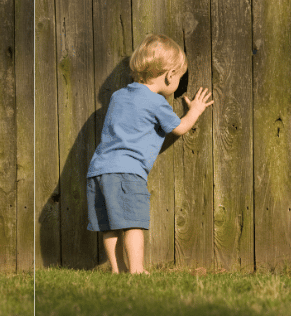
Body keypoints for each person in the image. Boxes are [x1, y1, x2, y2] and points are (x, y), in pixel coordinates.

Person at [86, 34, 213, 274]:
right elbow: (180, 128)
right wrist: (195, 110)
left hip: (98, 169)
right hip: (126, 170)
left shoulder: (118, 96)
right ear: (170, 75)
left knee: (109, 224)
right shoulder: (156, 103)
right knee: (133, 221)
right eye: (179, 77)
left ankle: (117, 268)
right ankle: (136, 269)